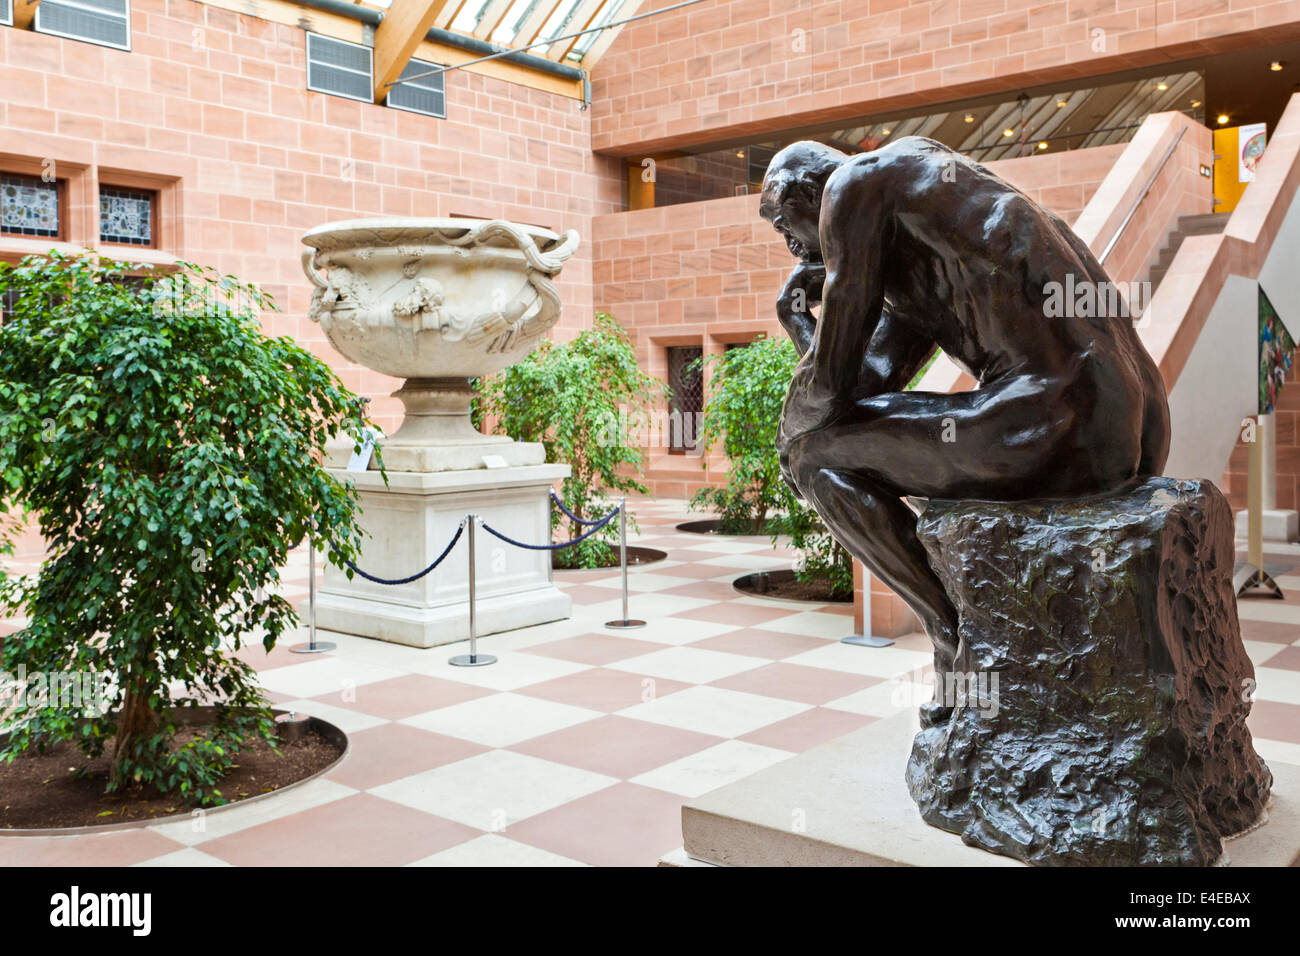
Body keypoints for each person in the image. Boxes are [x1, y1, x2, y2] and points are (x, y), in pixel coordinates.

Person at [760, 137, 1170, 725]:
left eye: (783, 224)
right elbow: (858, 384)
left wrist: (801, 324)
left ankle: (955, 640)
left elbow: (821, 396)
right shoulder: (937, 214)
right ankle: (967, 639)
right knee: (821, 442)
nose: (794, 247)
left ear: (809, 193)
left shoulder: (855, 185)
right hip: (1130, 430)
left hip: (1049, 423)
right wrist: (799, 324)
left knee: (810, 459)